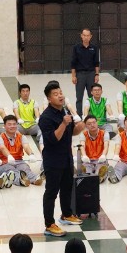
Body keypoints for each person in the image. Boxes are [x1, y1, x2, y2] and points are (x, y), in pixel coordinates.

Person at [38, 80, 81, 237]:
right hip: (53, 160)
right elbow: (53, 139)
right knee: (51, 192)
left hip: (66, 157)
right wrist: (63, 123)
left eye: (61, 92)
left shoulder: (65, 111)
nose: (60, 96)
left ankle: (66, 214)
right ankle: (49, 224)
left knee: (67, 188)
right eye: (55, 94)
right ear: (49, 99)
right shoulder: (45, 118)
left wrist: (81, 126)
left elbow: (71, 132)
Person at [0, 115, 42, 189]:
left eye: (14, 124)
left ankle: (35, 179)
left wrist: (31, 154)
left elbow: (26, 146)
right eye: (9, 124)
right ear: (4, 126)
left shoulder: (21, 136)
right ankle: (21, 180)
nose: (12, 126)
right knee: (11, 171)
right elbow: (2, 148)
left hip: (19, 161)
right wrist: (9, 156)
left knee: (25, 168)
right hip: (4, 162)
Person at [71, 28, 100, 111]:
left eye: (88, 35)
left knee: (92, 96)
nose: (86, 37)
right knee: (79, 96)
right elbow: (73, 62)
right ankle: (79, 115)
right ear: (81, 36)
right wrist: (73, 76)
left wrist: (97, 74)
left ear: (90, 36)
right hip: (80, 74)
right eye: (84, 35)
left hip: (91, 74)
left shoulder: (94, 48)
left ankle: (92, 114)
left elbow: (96, 62)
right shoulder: (76, 48)